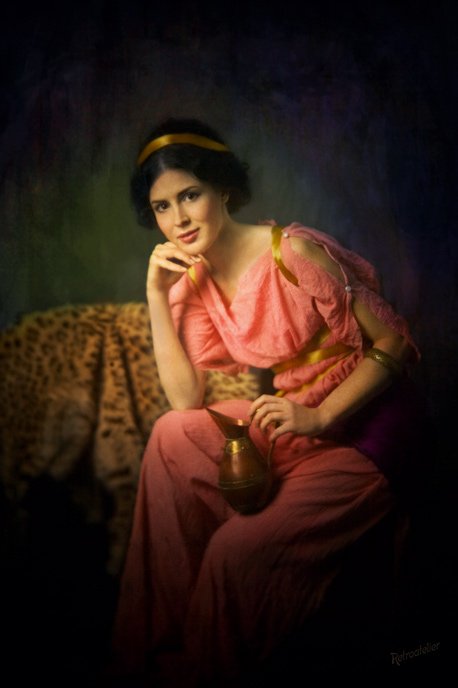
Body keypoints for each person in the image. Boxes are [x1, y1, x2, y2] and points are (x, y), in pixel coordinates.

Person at [109, 117, 427, 686]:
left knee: (232, 555)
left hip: (366, 435)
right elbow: (185, 399)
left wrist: (322, 414)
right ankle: (157, 655)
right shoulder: (195, 282)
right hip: (297, 425)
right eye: (162, 207)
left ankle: (205, 670)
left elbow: (394, 342)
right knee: (170, 434)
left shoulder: (293, 252)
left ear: (223, 188)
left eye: (190, 195)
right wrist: (156, 294)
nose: (179, 219)